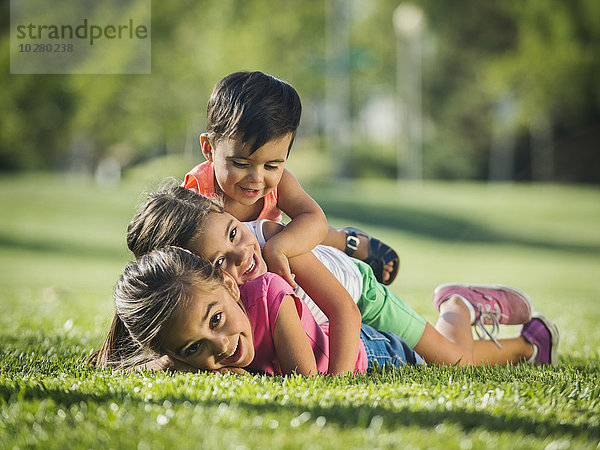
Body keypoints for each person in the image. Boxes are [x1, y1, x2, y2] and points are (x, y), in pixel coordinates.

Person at [123, 185, 559, 368]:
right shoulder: (198, 302)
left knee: (450, 358)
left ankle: (459, 306)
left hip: (357, 295)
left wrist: (340, 382)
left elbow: (343, 307)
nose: (241, 256)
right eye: (220, 263)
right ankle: (528, 343)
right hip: (330, 327)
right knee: (440, 357)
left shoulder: (271, 245)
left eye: (235, 234)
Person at [92, 247, 557, 376]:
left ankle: (468, 310)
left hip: (371, 352)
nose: (222, 346)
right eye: (195, 347)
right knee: (455, 356)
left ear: (229, 285)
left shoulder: (270, 299)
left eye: (216, 321)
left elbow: (306, 382)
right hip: (360, 341)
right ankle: (527, 342)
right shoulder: (193, 334)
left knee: (453, 357)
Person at [183, 70, 399, 286]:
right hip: (235, 266)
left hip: (274, 245)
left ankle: (347, 242)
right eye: (241, 164)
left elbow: (314, 219)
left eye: (271, 165)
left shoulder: (281, 183)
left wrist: (278, 247)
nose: (256, 177)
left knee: (298, 236)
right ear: (209, 148)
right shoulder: (195, 195)